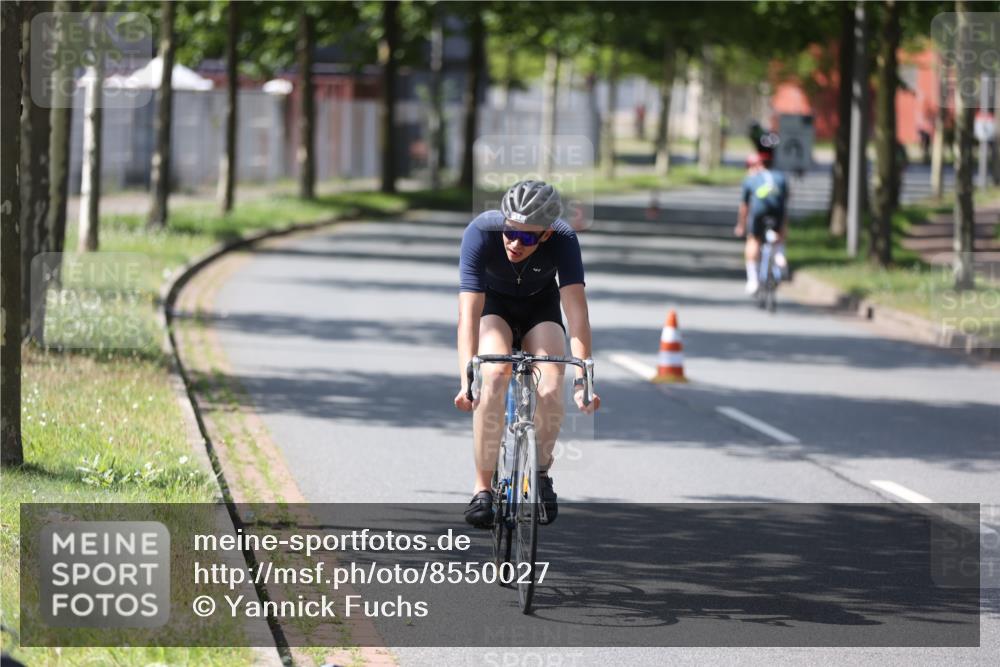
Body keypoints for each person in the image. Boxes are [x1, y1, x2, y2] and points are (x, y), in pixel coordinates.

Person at [454, 180, 601, 528]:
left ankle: (540, 472)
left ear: (547, 235)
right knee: (494, 374)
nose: (515, 243)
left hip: (540, 310)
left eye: (529, 238)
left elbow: (577, 315)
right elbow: (468, 316)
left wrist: (583, 380)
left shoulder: (564, 240)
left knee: (551, 384)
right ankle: (482, 489)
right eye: (510, 232)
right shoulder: (480, 233)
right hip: (495, 310)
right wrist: (466, 379)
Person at [735, 152, 789, 295]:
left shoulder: (751, 179)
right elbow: (785, 201)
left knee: (753, 240)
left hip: (759, 212)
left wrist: (741, 225)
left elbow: (744, 207)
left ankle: (753, 280)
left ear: (755, 165)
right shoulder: (781, 177)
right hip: (777, 211)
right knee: (780, 228)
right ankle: (779, 253)